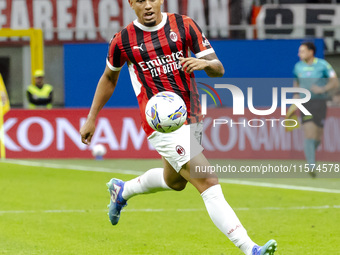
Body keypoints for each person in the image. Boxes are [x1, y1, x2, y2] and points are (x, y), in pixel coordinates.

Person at [80, 1, 277, 254]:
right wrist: (92, 117)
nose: (148, 5)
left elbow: (219, 68)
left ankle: (123, 190)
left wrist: (206, 64)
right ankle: (250, 248)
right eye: (140, 0)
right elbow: (109, 77)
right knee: (207, 180)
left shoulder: (184, 25)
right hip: (161, 124)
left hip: (192, 114)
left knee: (175, 182)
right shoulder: (123, 40)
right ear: (131, 3)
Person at [293, 42, 339, 177]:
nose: (299, 54)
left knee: (318, 136)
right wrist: (295, 97)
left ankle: (311, 157)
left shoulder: (323, 65)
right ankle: (311, 165)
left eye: (302, 51)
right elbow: (296, 83)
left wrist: (323, 89)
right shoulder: (298, 66)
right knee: (309, 133)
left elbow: (334, 81)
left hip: (320, 102)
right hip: (305, 103)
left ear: (311, 52)